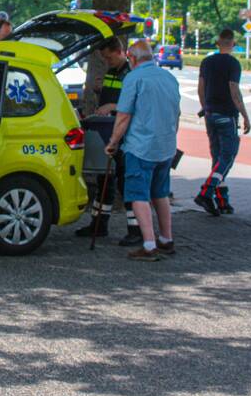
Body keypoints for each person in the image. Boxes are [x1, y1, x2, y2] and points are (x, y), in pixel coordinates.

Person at [104, 40, 180, 261]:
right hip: (166, 146)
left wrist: (113, 142)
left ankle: (149, 245)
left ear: (132, 58)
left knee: (138, 194)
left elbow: (124, 114)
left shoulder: (134, 78)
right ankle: (166, 239)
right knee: (161, 193)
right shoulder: (169, 78)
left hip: (141, 147)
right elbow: (176, 113)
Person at [75, 37, 142, 245]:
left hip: (124, 134)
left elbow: (133, 102)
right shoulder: (113, 71)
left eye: (109, 57)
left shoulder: (130, 72)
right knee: (104, 180)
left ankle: (135, 229)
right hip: (108, 130)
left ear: (119, 51)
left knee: (124, 180)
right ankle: (99, 224)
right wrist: (99, 92)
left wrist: (112, 105)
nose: (107, 61)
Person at [195, 28, 251, 216]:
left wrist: (205, 107)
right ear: (233, 44)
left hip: (210, 114)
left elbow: (201, 88)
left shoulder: (207, 62)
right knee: (227, 156)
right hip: (227, 115)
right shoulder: (233, 64)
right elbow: (234, 89)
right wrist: (245, 115)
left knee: (218, 159)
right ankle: (206, 192)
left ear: (218, 43)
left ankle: (222, 202)